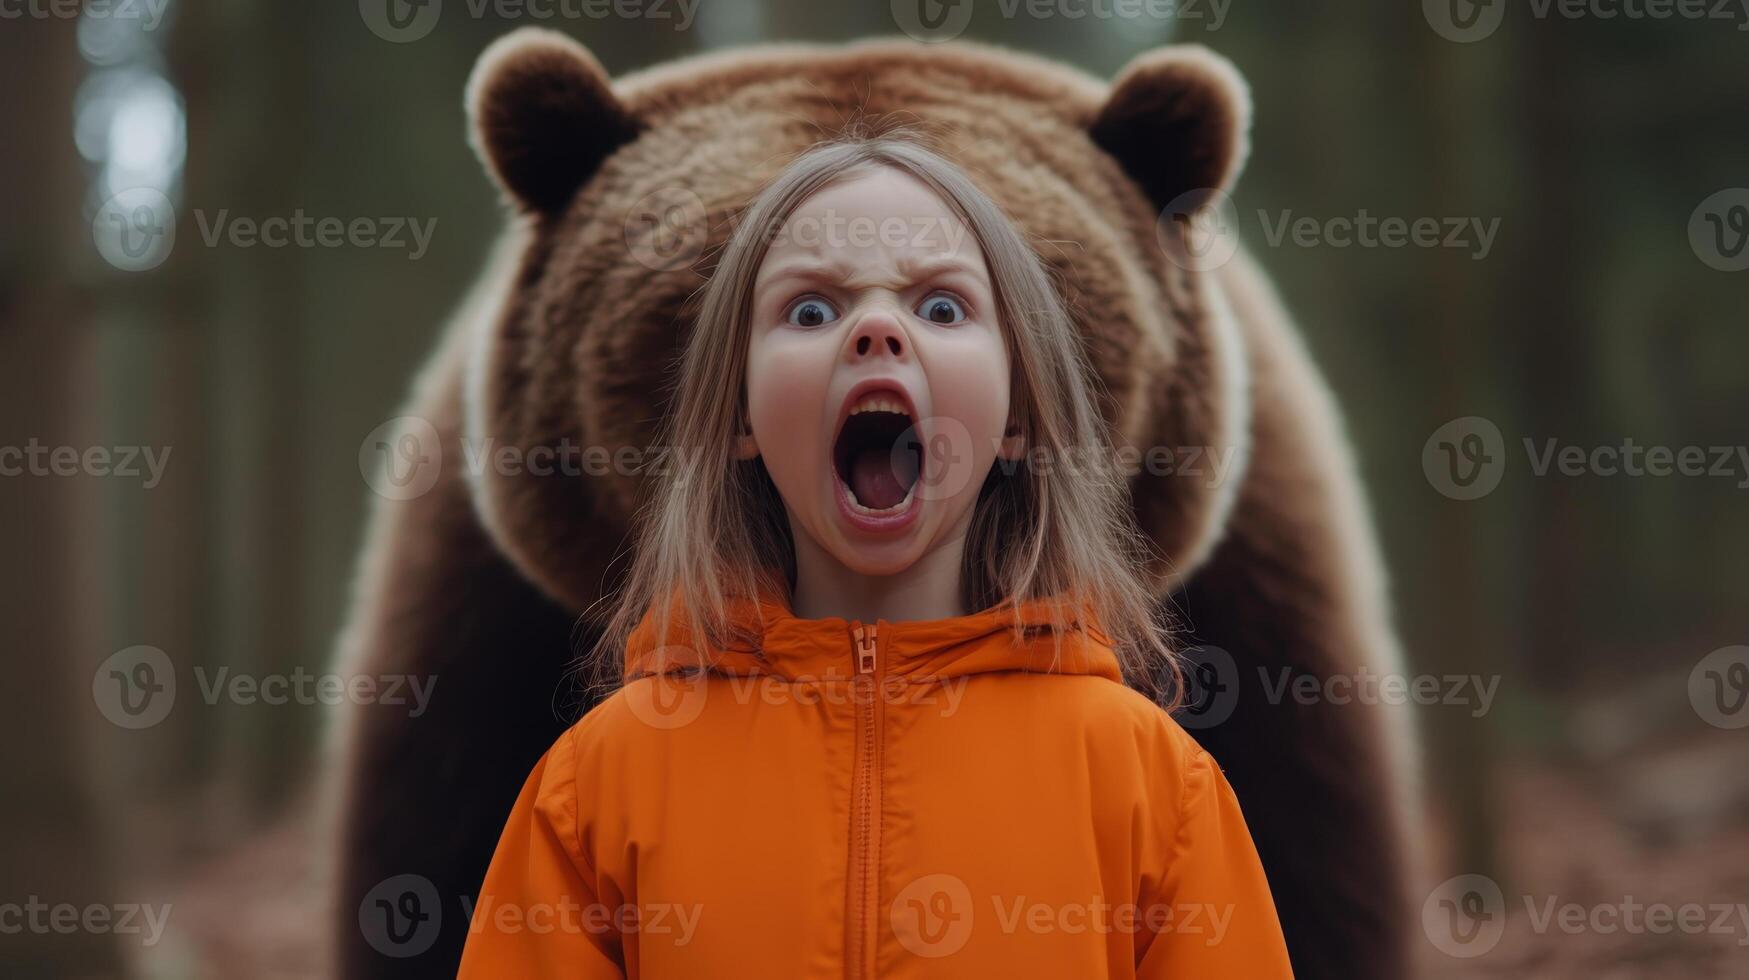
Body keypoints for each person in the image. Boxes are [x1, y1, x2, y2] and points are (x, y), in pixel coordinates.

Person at [456, 134, 1294, 978]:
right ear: (739, 418)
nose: (876, 330)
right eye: (811, 311)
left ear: (1016, 417)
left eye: (940, 307)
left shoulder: (1151, 783)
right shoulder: (598, 786)